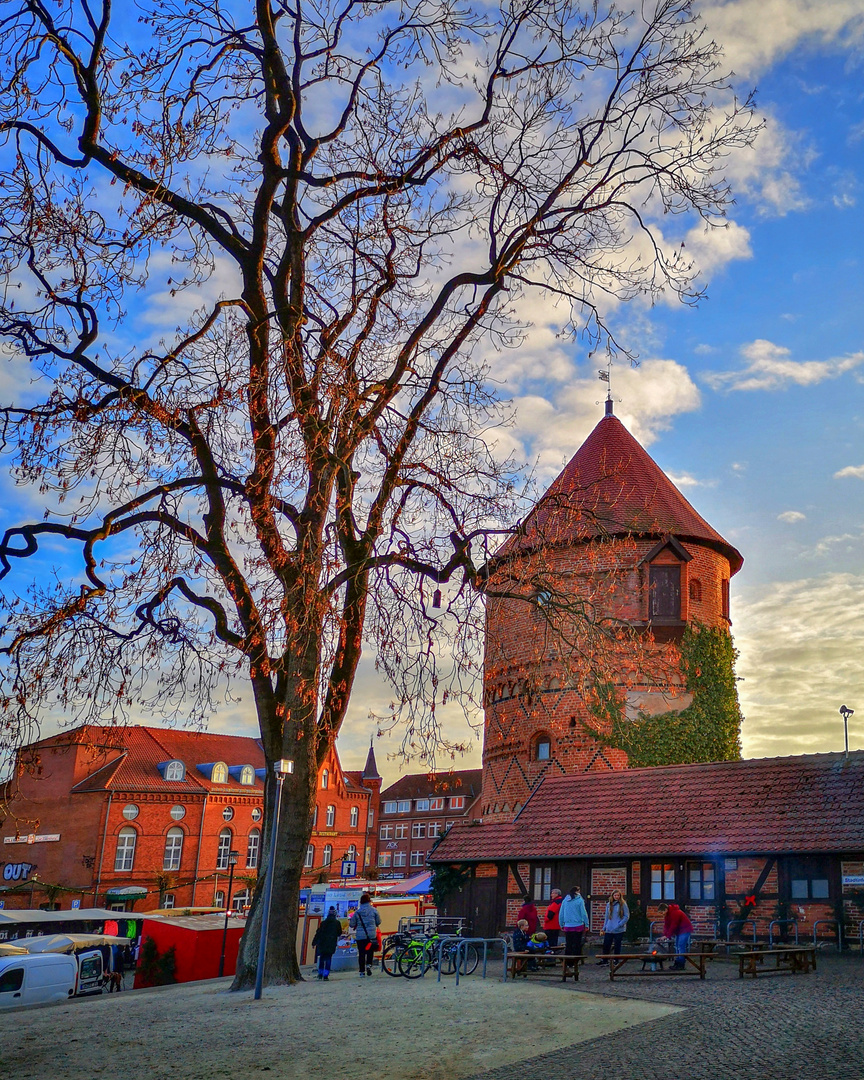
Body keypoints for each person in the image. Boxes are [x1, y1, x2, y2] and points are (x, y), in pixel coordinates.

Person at [349, 893, 381, 978]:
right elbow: (378, 922)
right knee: (370, 951)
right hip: (371, 935)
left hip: (360, 936)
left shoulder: (357, 912)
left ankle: (362, 972)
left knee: (362, 953)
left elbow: (352, 924)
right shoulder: (374, 910)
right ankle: (369, 965)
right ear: (369, 901)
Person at [597, 890, 629, 964]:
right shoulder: (609, 904)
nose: (616, 897)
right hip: (609, 928)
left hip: (619, 929)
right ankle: (604, 960)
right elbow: (607, 917)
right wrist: (604, 928)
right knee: (606, 944)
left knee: (617, 945)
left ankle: (616, 959)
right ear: (612, 896)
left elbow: (626, 916)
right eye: (615, 895)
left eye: (618, 895)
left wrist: (620, 924)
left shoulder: (623, 904)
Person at [658, 902, 693, 969]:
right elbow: (667, 926)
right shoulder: (668, 915)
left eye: (662, 912)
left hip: (685, 930)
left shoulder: (675, 913)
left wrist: (667, 936)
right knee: (677, 946)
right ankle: (677, 962)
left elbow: (673, 925)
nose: (661, 914)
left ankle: (681, 963)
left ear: (665, 909)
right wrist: (664, 935)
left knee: (680, 946)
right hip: (679, 931)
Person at [312, 906, 343, 981]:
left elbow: (318, 933)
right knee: (329, 958)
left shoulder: (323, 923)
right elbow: (339, 933)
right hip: (331, 942)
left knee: (322, 958)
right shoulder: (337, 923)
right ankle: (326, 975)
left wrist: (314, 942)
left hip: (322, 943)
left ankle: (320, 973)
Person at [559, 886, 589, 957]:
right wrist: (587, 924)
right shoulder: (580, 900)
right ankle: (576, 960)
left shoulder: (565, 900)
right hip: (578, 925)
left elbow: (561, 913)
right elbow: (583, 913)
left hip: (567, 925)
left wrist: (561, 924)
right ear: (577, 891)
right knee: (577, 943)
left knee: (569, 943)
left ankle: (568, 960)